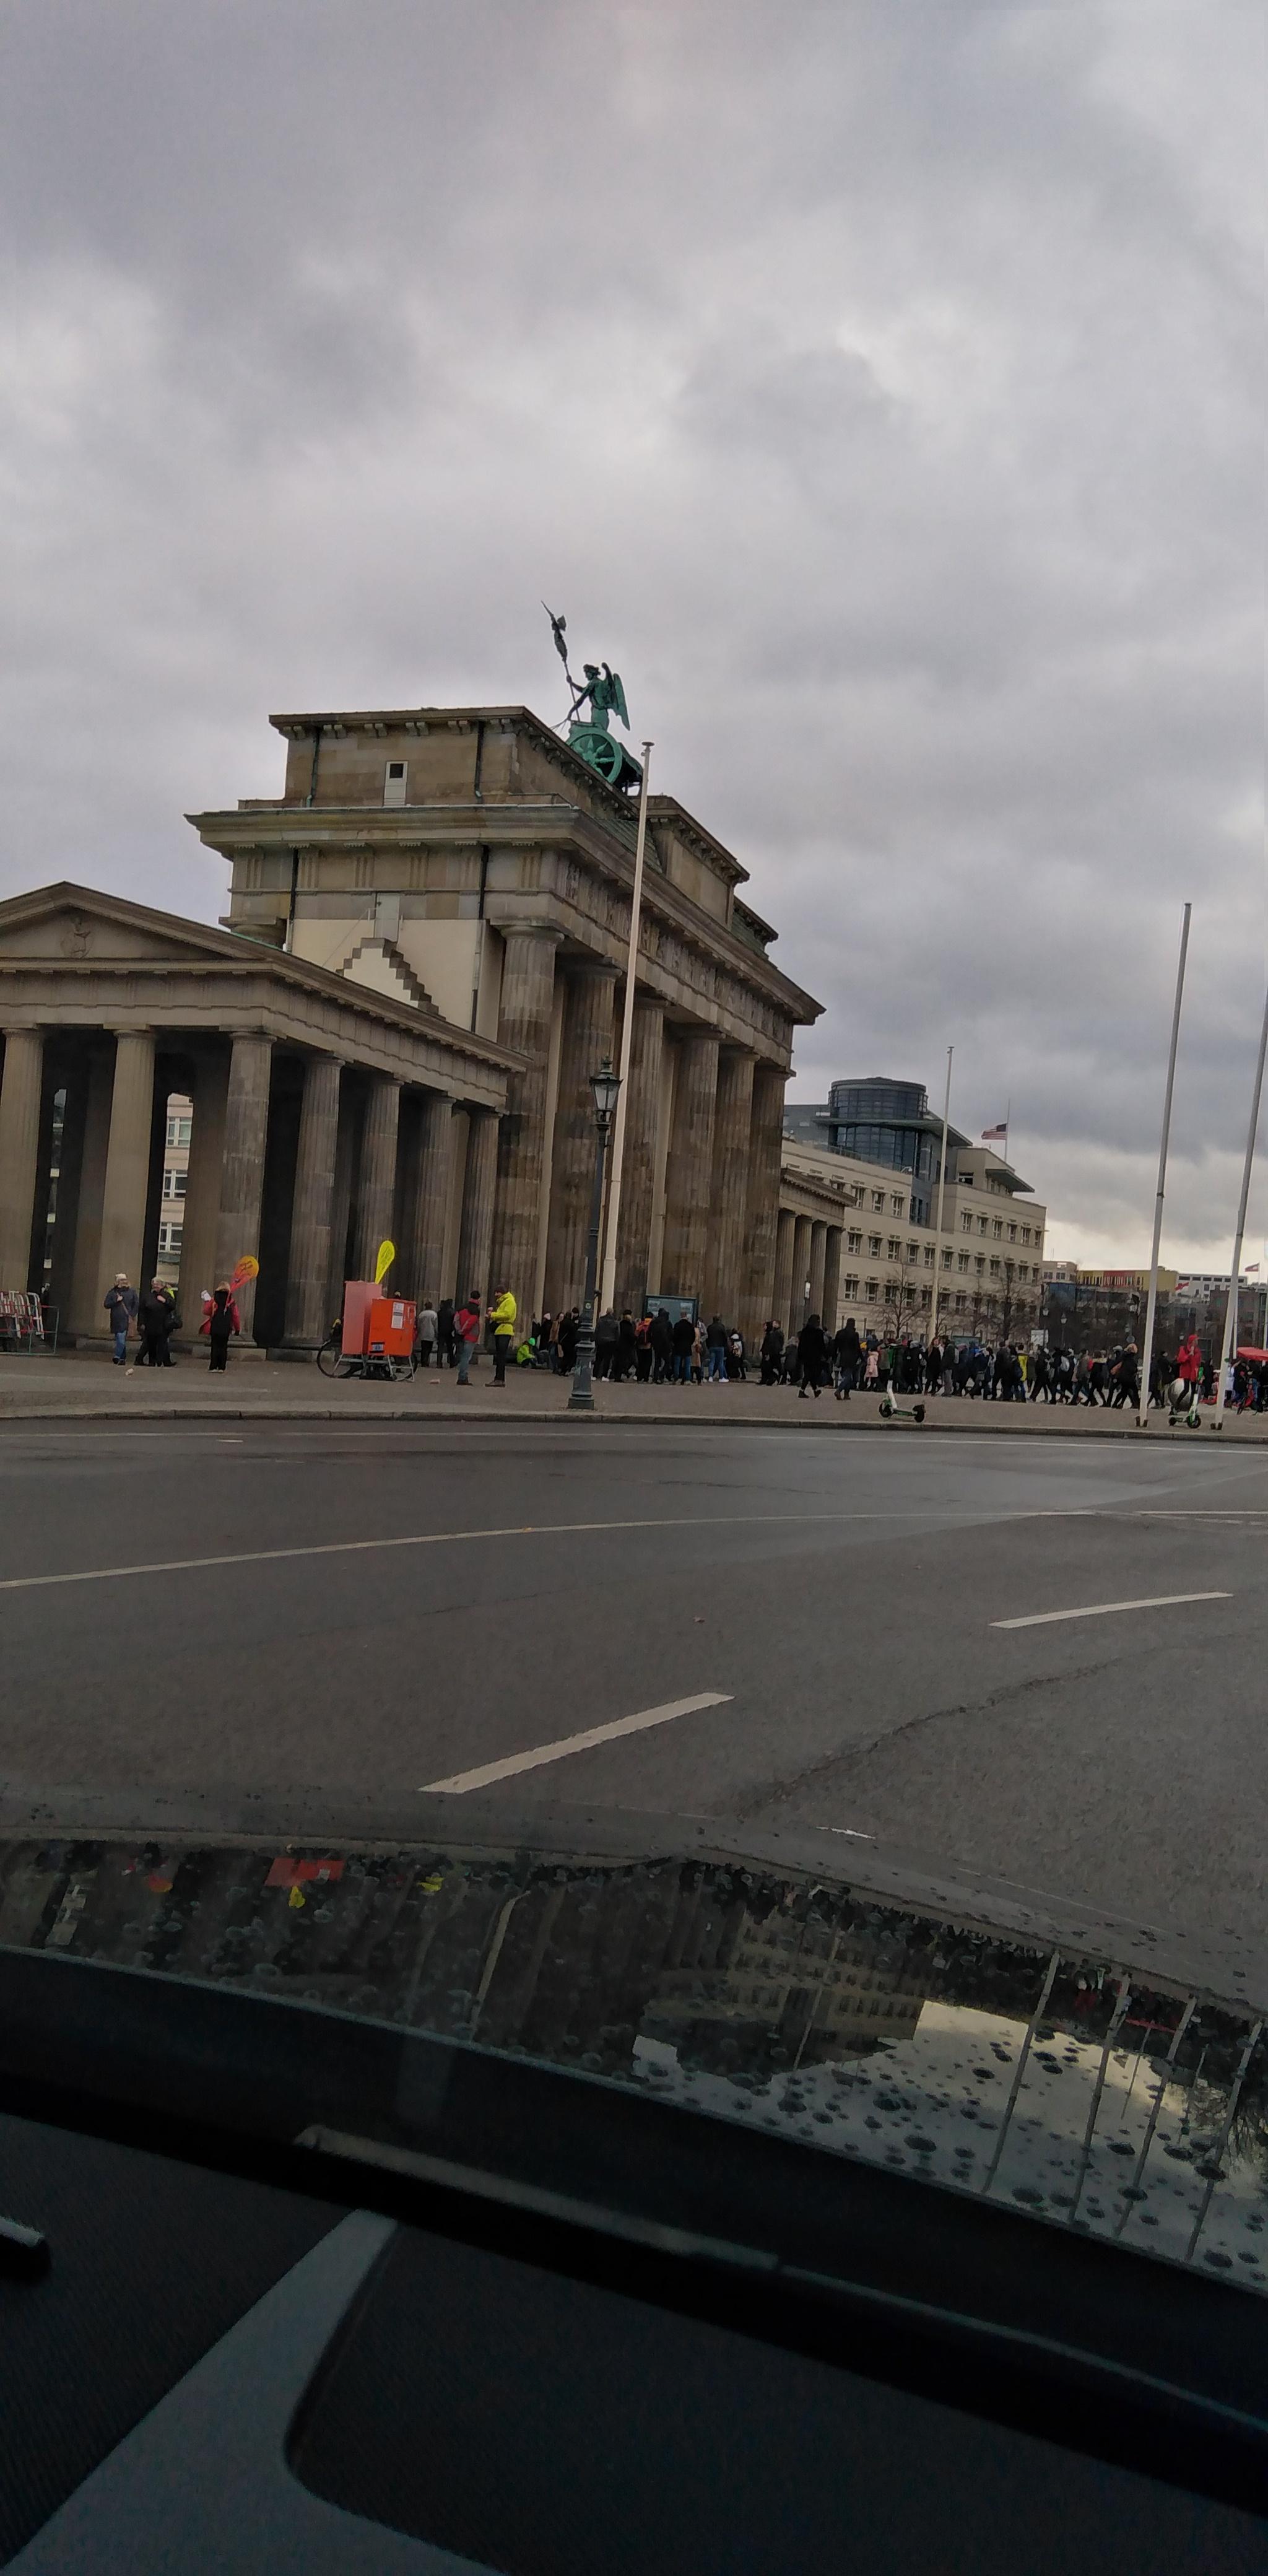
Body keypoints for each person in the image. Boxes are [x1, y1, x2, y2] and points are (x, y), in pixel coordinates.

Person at [137, 1277, 178, 1368]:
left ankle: (161, 1362)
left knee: (162, 1343)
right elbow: (142, 1310)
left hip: (163, 1324)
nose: (156, 1287)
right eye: (154, 1285)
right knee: (151, 1343)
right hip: (150, 1323)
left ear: (162, 1286)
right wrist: (142, 1322)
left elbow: (173, 1306)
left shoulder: (166, 1295)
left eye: (157, 1285)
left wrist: (165, 1301)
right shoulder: (148, 1296)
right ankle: (152, 1361)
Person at [202, 1282, 241, 1372]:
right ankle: (221, 1367)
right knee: (223, 1347)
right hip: (226, 1327)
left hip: (215, 1326)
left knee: (215, 1346)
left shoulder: (214, 1300)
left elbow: (206, 1311)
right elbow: (236, 1316)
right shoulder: (231, 1302)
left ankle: (213, 1366)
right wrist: (237, 1329)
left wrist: (207, 1302)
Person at [103, 1274, 138, 1364]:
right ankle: (122, 1359)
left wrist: (132, 1314)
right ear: (118, 1282)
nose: (124, 1281)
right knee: (119, 1339)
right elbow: (106, 1304)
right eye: (122, 1280)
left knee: (121, 1338)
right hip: (116, 1319)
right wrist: (116, 1301)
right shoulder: (112, 1292)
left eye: (125, 1279)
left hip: (126, 1319)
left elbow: (136, 1304)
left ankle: (117, 1356)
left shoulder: (132, 1292)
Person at [488, 1282, 517, 1386]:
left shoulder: (509, 1301)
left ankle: (500, 1379)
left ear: (501, 1293)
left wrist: (493, 1315)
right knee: (500, 1355)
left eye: (497, 1293)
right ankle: (499, 1378)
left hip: (505, 1329)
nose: (496, 1295)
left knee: (501, 1356)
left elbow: (507, 1315)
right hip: (501, 1329)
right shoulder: (504, 1302)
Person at [797, 1310, 828, 1398]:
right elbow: (821, 1345)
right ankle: (802, 1390)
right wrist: (825, 1355)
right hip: (815, 1356)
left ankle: (815, 1390)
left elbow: (801, 1344)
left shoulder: (805, 1331)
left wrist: (800, 1355)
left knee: (809, 1373)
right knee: (810, 1374)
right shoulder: (818, 1332)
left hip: (805, 1356)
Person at [453, 1290, 482, 1384]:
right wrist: (463, 1331)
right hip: (470, 1336)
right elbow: (471, 1321)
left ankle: (462, 1376)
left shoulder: (462, 1308)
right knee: (466, 1358)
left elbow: (456, 1319)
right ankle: (462, 1377)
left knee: (462, 1356)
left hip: (461, 1336)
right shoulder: (475, 1310)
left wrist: (459, 1331)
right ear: (479, 1299)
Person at [670, 1312, 695, 1383]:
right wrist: (689, 1343)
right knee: (687, 1364)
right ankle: (687, 1378)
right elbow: (693, 1337)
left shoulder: (677, 1325)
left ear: (681, 1316)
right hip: (687, 1347)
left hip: (678, 1347)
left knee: (677, 1364)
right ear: (686, 1316)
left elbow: (674, 1336)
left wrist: (676, 1343)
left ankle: (676, 1378)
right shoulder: (690, 1326)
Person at [648, 1308, 672, 1383]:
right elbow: (670, 1335)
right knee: (668, 1362)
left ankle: (655, 1377)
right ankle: (661, 1375)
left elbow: (649, 1333)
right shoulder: (667, 1323)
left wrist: (652, 1342)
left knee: (657, 1362)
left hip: (656, 1345)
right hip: (665, 1345)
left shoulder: (654, 1322)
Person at [705, 1315, 729, 1382]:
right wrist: (725, 1345)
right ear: (719, 1320)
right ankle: (721, 1377)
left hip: (712, 1346)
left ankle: (710, 1377)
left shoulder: (710, 1327)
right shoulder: (722, 1327)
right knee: (721, 1362)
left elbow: (708, 1337)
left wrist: (708, 1346)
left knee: (712, 1362)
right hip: (720, 1346)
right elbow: (725, 1337)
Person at [760, 1320, 784, 1385]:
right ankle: (769, 1379)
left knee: (767, 1367)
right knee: (767, 1367)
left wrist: (768, 1353)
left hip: (772, 1352)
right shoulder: (773, 1334)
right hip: (772, 1352)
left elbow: (770, 1345)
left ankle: (773, 1378)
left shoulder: (774, 1334)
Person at [416, 1298, 438, 1368]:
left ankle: (423, 1361)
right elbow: (436, 1324)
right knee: (429, 1348)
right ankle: (427, 1360)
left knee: (424, 1348)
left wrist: (418, 1331)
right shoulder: (434, 1314)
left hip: (423, 1332)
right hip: (431, 1333)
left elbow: (418, 1324)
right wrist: (436, 1332)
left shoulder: (422, 1314)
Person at [436, 1296, 456, 1367]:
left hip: (441, 1331)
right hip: (449, 1332)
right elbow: (454, 1323)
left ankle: (439, 1363)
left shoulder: (440, 1312)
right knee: (450, 1348)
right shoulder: (452, 1312)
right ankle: (452, 1362)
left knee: (440, 1348)